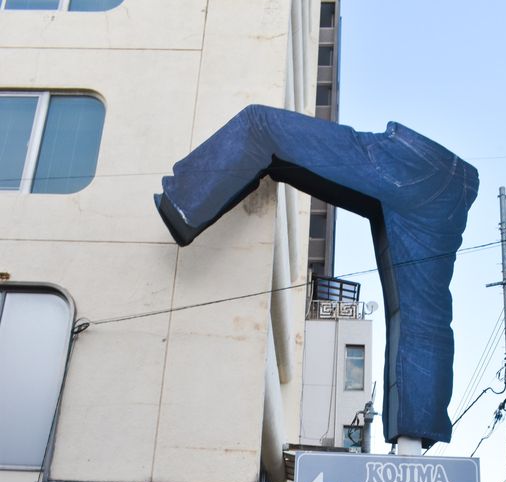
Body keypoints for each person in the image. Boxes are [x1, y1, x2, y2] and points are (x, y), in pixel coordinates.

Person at [155, 105, 479, 447]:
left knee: (260, 125)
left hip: (413, 161)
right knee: (425, 319)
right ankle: (416, 434)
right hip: (457, 191)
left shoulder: (408, 167)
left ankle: (181, 204)